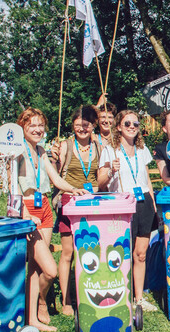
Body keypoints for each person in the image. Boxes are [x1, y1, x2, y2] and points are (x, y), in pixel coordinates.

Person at [15, 108, 89, 331]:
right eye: (32, 125)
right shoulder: (17, 151)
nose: (37, 129)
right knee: (50, 270)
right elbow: (12, 187)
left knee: (37, 269)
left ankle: (34, 315)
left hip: (44, 207)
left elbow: (55, 178)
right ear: (22, 127)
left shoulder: (40, 151)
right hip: (28, 210)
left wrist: (73, 189)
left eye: (40, 125)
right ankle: (37, 306)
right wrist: (23, 214)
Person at [97, 110, 159, 312]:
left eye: (135, 124)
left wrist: (152, 200)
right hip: (122, 203)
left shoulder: (142, 150)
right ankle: (122, 295)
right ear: (118, 127)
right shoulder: (110, 150)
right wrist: (110, 171)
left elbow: (146, 177)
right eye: (127, 124)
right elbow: (100, 183)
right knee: (121, 253)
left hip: (144, 203)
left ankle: (139, 298)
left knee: (140, 254)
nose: (132, 127)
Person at [53, 106, 103, 316]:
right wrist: (54, 158)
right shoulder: (64, 145)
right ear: (72, 124)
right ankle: (66, 300)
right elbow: (54, 176)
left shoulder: (99, 145)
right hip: (69, 200)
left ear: (93, 126)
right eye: (79, 124)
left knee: (93, 249)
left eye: (87, 124)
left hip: (93, 201)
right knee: (68, 252)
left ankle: (93, 291)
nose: (82, 128)